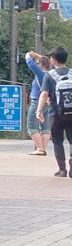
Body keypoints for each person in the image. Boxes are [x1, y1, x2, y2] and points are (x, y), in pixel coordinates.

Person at [36, 46, 72, 177]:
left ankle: (62, 169)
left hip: (55, 113)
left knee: (57, 141)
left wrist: (39, 110)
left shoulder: (49, 76)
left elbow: (44, 94)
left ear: (53, 60)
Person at [26, 50, 50, 156]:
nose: (36, 64)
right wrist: (38, 56)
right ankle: (43, 148)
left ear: (41, 65)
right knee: (45, 127)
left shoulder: (40, 73)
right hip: (48, 103)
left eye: (38, 63)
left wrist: (29, 55)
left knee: (31, 125)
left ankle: (40, 148)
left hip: (37, 102)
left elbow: (29, 62)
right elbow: (47, 61)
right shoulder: (51, 73)